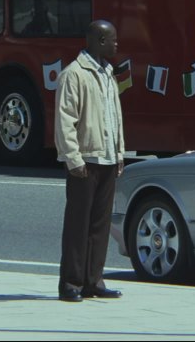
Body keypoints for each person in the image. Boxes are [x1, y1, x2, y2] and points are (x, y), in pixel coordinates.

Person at [55, 20, 125, 302]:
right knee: (78, 224)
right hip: (85, 159)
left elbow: (115, 117)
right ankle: (70, 283)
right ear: (98, 40)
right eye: (113, 39)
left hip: (107, 158)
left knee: (100, 225)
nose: (117, 45)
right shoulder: (73, 75)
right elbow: (65, 121)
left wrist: (119, 153)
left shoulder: (108, 73)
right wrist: (73, 159)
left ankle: (93, 280)